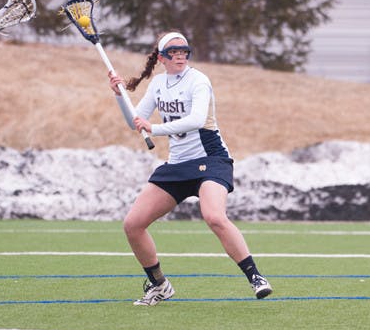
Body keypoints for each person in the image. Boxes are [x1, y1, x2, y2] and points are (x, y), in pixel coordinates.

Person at [108, 31, 272, 306]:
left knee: (214, 216)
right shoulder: (159, 83)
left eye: (184, 50)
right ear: (161, 57)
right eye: (174, 51)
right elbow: (135, 121)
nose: (180, 55)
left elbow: (196, 120)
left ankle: (256, 277)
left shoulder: (198, 80)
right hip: (177, 165)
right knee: (133, 225)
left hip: (211, 159)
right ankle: (159, 285)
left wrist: (156, 129)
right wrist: (119, 96)